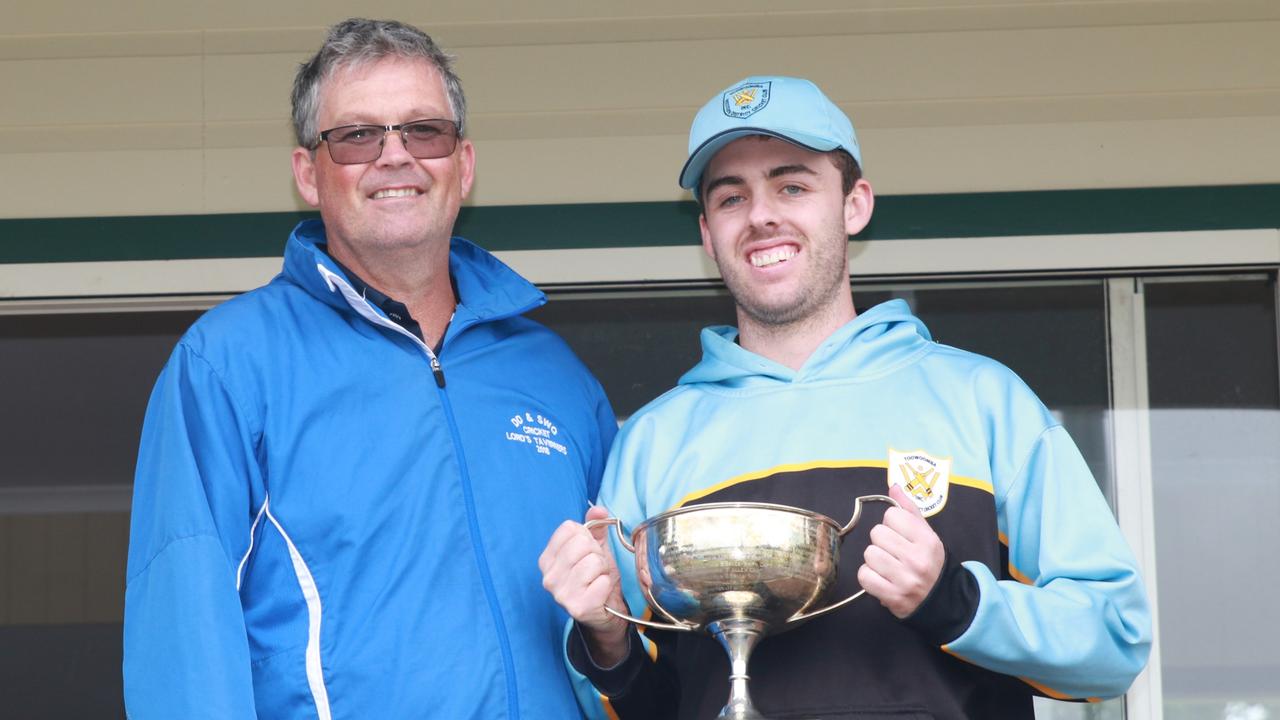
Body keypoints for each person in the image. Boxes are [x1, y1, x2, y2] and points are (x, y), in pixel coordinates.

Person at [540, 76, 1152, 719]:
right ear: (706, 233)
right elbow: (643, 706)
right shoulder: (654, 442)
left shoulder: (982, 401)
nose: (761, 215)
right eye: (730, 198)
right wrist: (604, 638)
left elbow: (1114, 642)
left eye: (793, 186)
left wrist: (953, 603)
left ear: (854, 204)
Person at [123, 18, 616, 719]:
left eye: (424, 131)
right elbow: (182, 640)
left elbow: (623, 636)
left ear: (464, 164)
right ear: (307, 174)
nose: (395, 157)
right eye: (358, 136)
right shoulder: (229, 364)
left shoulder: (556, 378)